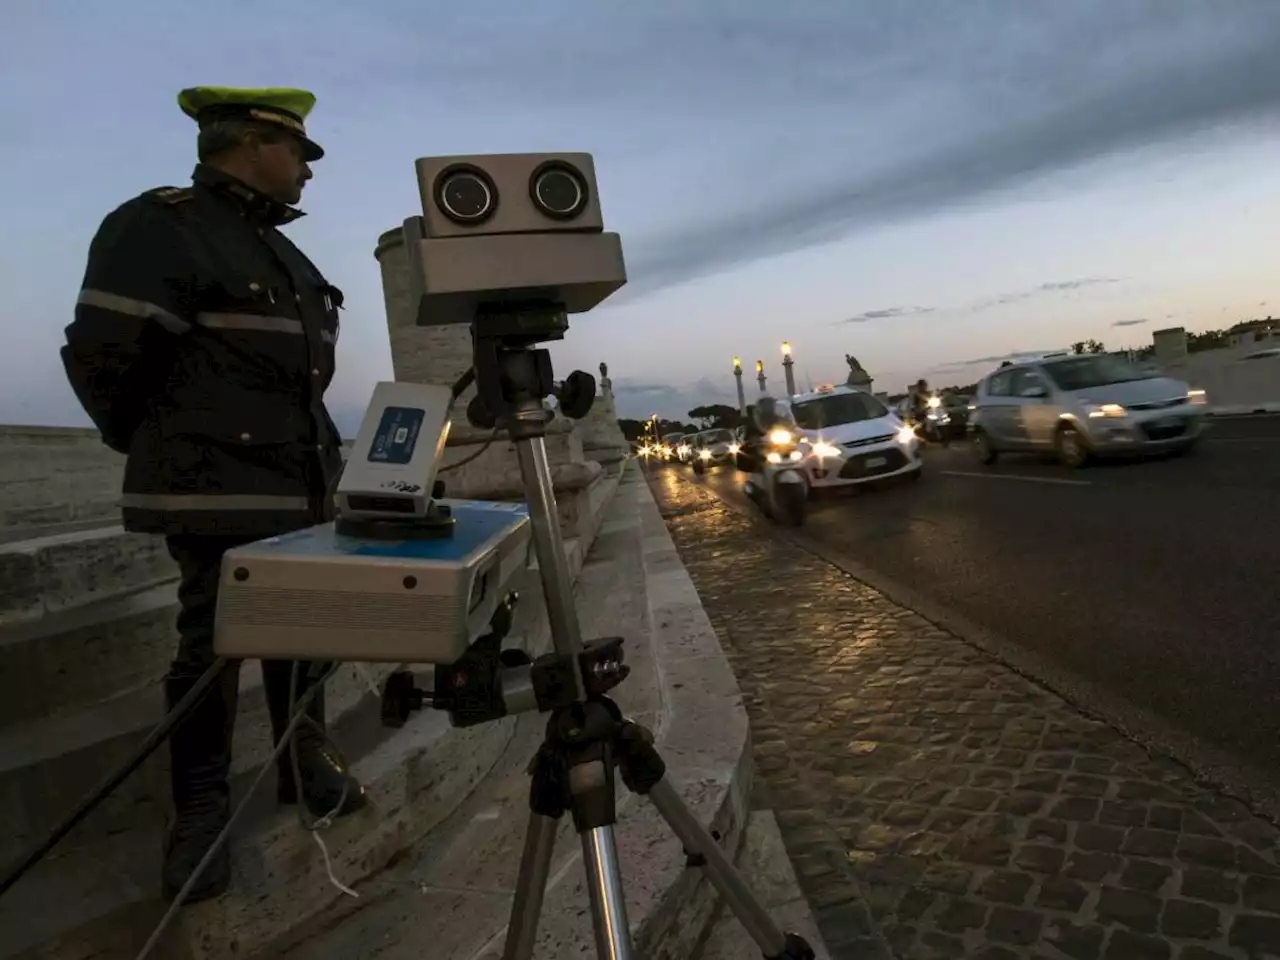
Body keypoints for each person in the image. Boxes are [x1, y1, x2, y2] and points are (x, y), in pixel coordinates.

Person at [60, 87, 365, 904]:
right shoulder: (163, 224)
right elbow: (102, 356)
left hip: (298, 483)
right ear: (249, 140)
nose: (306, 169)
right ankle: (200, 810)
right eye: (298, 151)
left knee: (301, 632)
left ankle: (307, 762)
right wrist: (167, 445)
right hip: (213, 485)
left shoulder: (284, 256)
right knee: (212, 648)